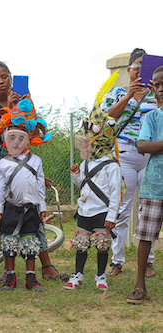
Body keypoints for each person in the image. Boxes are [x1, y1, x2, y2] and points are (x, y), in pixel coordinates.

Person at [0, 60, 67, 282]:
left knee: (32, 212)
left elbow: (34, 127)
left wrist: (25, 103)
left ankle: (45, 265)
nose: (1, 81)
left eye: (5, 76)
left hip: (26, 161)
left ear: (11, 77)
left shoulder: (25, 99)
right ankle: (9, 269)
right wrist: (7, 109)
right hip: (1, 160)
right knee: (7, 216)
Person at [101, 48, 158, 277]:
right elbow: (110, 116)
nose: (140, 72)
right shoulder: (116, 92)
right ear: (130, 70)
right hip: (124, 155)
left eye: (145, 68)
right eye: (137, 67)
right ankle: (117, 260)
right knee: (122, 209)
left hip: (150, 158)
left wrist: (159, 95)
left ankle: (149, 261)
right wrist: (127, 96)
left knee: (149, 209)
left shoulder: (157, 95)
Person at [0, 99, 50, 292]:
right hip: (11, 207)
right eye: (12, 137)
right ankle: (10, 277)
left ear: (29, 138)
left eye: (21, 138)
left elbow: (40, 185)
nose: (16, 142)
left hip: (31, 208)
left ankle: (30, 277)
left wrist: (42, 208)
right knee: (8, 240)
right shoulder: (3, 164)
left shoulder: (36, 161)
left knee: (30, 241)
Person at [65, 99, 122, 291]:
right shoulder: (86, 163)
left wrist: (112, 216)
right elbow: (83, 185)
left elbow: (115, 193)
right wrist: (75, 175)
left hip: (102, 212)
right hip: (84, 211)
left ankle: (100, 275)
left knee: (102, 245)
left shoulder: (112, 166)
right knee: (81, 244)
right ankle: (78, 274)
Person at [126, 66, 163, 304]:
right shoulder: (151, 117)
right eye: (157, 85)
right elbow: (142, 146)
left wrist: (156, 144)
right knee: (146, 236)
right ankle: (140, 284)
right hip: (154, 186)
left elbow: (152, 145)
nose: (160, 88)